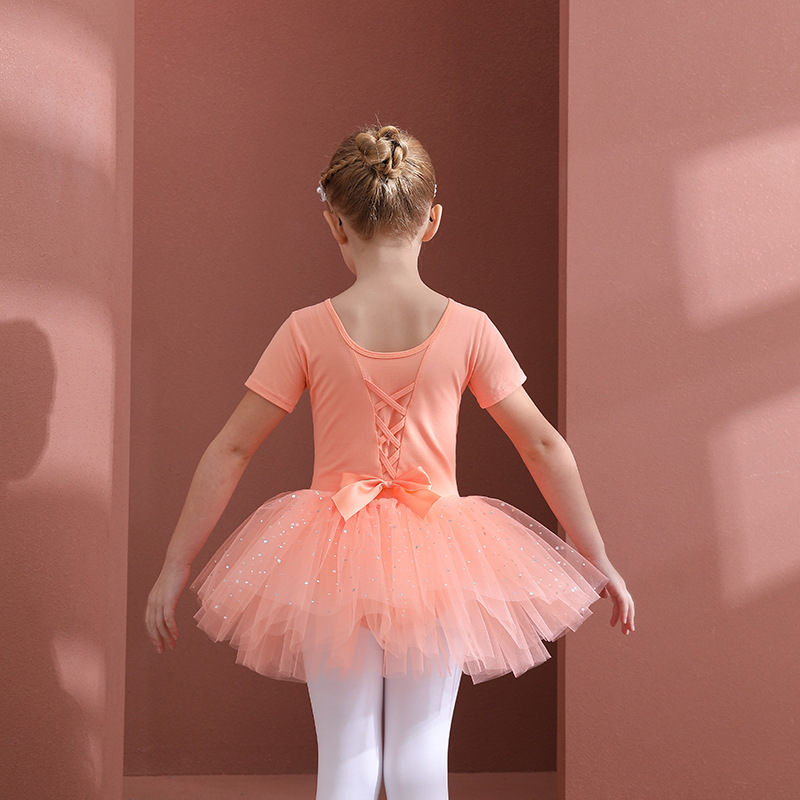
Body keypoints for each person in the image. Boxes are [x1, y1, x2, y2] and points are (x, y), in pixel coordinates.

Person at [145, 124, 635, 800]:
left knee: (346, 759)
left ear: (336, 224)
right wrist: (596, 555)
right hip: (439, 555)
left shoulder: (306, 329)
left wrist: (177, 564)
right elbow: (542, 444)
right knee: (418, 759)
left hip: (329, 554)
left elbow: (231, 447)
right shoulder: (470, 328)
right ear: (432, 219)